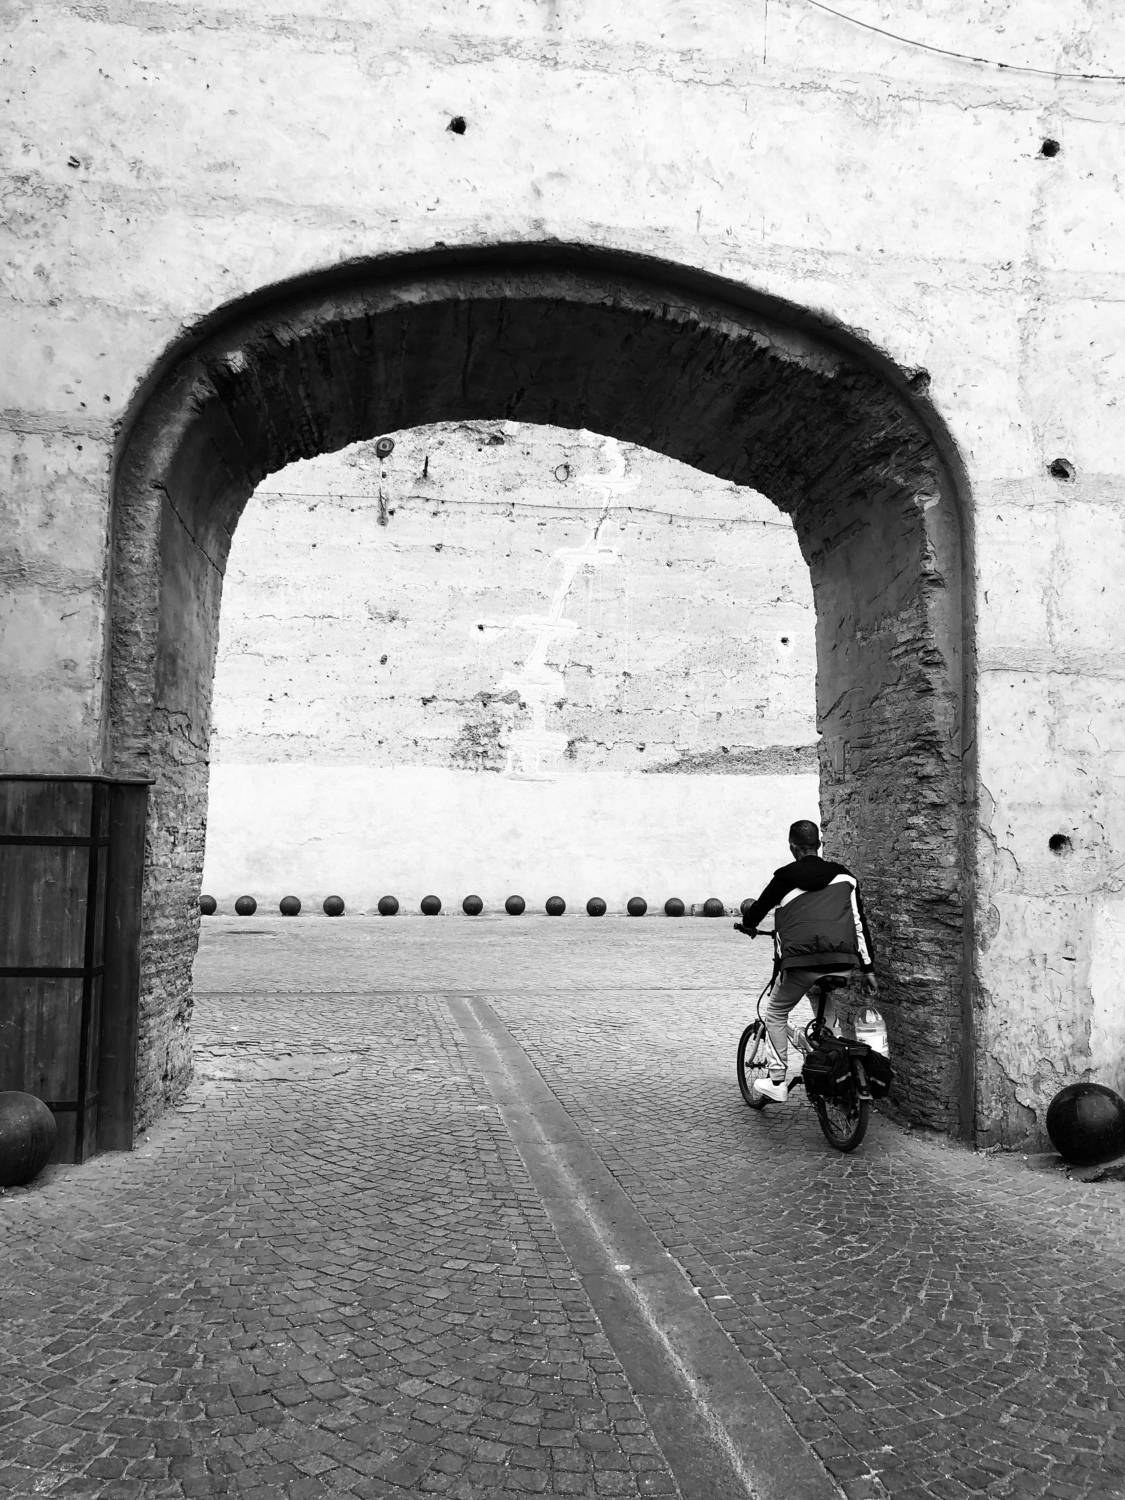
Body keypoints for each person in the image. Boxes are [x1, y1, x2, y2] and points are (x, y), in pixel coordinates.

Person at [734, 819, 877, 1102]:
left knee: (776, 1012)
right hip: (841, 962)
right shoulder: (846, 878)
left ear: (792, 847)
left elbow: (758, 910)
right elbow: (859, 924)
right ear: (819, 845)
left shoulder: (785, 877)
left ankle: (776, 1080)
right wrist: (868, 969)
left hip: (801, 963)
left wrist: (748, 925)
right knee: (823, 1004)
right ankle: (833, 1065)